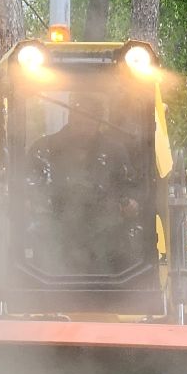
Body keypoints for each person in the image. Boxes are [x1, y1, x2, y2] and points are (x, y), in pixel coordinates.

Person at [25, 96, 153, 278]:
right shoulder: (42, 150)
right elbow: (27, 188)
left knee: (128, 242)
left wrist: (132, 203)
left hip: (106, 235)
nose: (84, 124)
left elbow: (130, 188)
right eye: (80, 117)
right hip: (55, 231)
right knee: (38, 235)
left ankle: (116, 295)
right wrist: (31, 204)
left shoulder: (115, 152)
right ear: (70, 117)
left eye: (90, 118)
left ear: (99, 122)